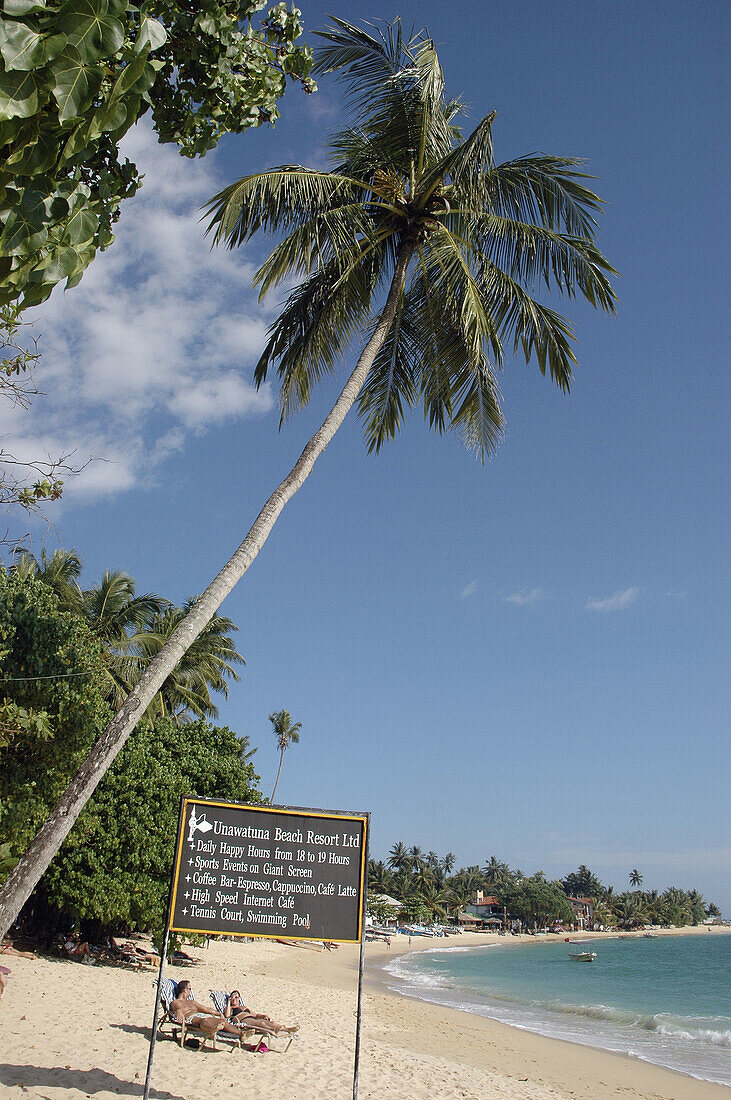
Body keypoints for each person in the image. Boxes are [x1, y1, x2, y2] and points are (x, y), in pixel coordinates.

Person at [170, 980, 245, 1043]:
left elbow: (206, 1009)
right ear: (184, 990)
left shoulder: (192, 1002)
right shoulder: (176, 1002)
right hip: (192, 1018)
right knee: (204, 1020)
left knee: (222, 1021)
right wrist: (179, 1011)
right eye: (190, 989)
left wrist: (218, 1013)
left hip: (202, 1016)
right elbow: (177, 1007)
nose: (190, 991)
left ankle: (241, 1034)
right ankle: (212, 1029)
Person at [224, 989, 299, 1036]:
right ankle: (274, 1030)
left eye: (236, 997)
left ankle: (288, 1029)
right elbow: (227, 1016)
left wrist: (263, 1016)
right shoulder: (230, 1008)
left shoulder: (244, 1007)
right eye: (233, 997)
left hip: (253, 1018)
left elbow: (256, 1014)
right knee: (261, 1024)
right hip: (243, 1020)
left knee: (271, 1022)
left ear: (239, 999)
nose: (234, 999)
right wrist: (228, 1002)